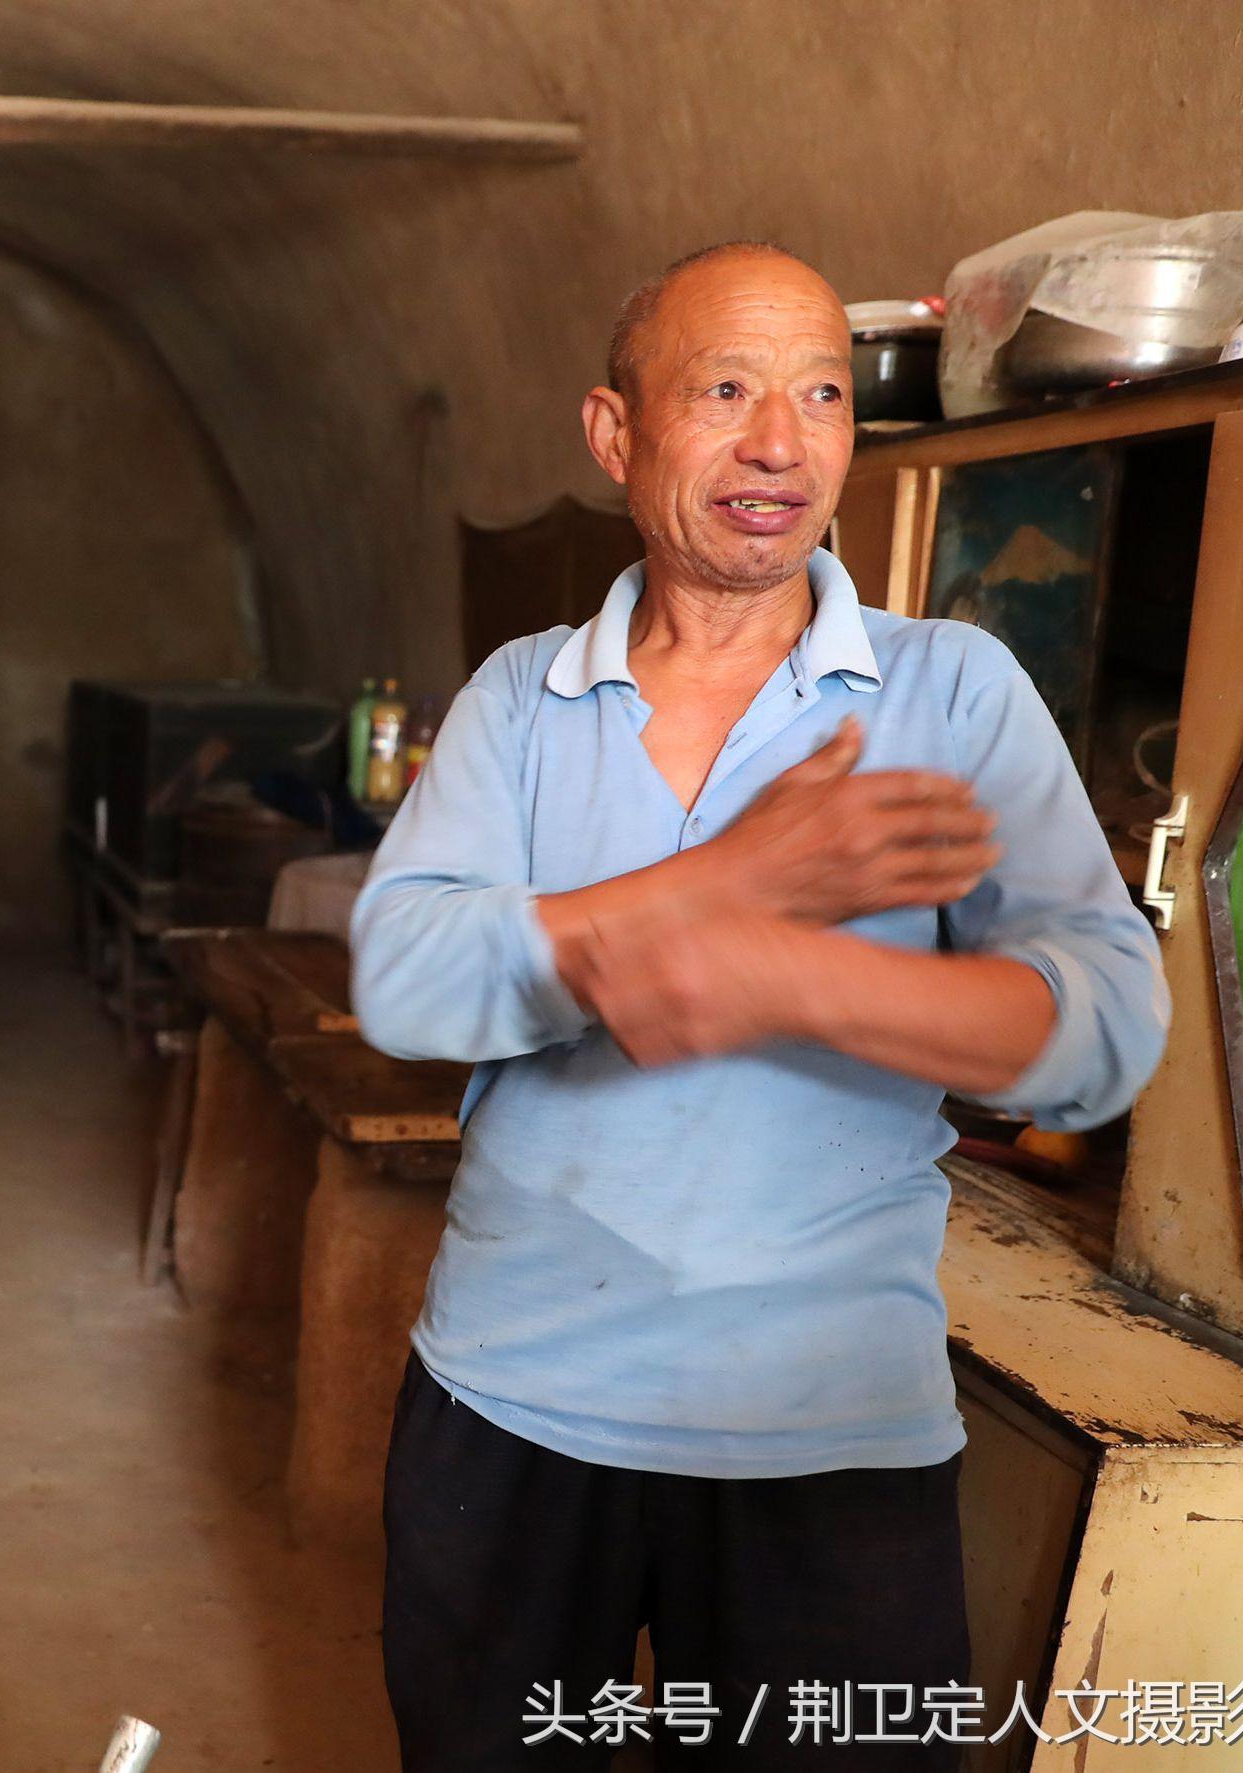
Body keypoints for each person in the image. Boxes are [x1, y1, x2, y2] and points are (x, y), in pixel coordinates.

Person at [352, 242, 1168, 1768]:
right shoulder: (527, 695)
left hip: (828, 1435)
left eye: (820, 395)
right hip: (516, 1408)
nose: (781, 444)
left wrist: (795, 970)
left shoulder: (953, 692)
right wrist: (712, 889)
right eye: (726, 391)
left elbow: (1107, 1029)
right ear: (616, 434)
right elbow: (405, 976)